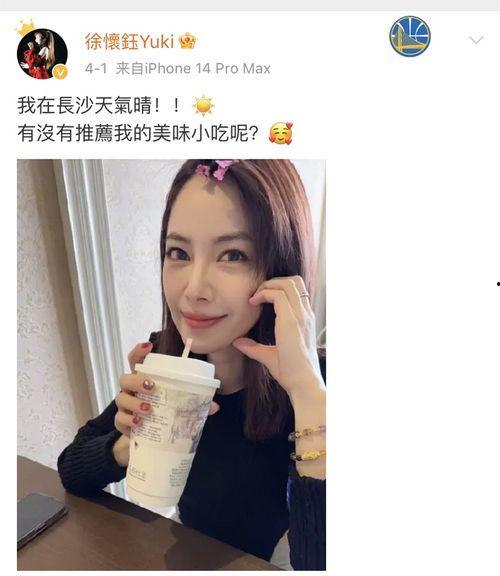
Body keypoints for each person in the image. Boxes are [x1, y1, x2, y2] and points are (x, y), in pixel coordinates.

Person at [57, 159, 326, 570]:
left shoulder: (313, 383)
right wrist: (134, 441)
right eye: (178, 252)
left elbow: (317, 563)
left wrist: (307, 394)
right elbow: (71, 469)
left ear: (281, 270)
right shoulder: (166, 357)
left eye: (232, 255)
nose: (194, 289)